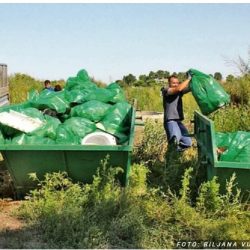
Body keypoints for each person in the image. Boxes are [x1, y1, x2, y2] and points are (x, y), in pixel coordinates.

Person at [161, 73, 192, 152]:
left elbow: (189, 88)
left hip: (178, 121)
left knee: (187, 142)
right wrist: (188, 79)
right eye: (173, 83)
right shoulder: (166, 90)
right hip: (170, 121)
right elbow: (178, 89)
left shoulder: (179, 91)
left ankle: (175, 154)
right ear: (169, 83)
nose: (176, 84)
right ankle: (171, 158)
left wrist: (194, 81)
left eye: (177, 83)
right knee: (174, 142)